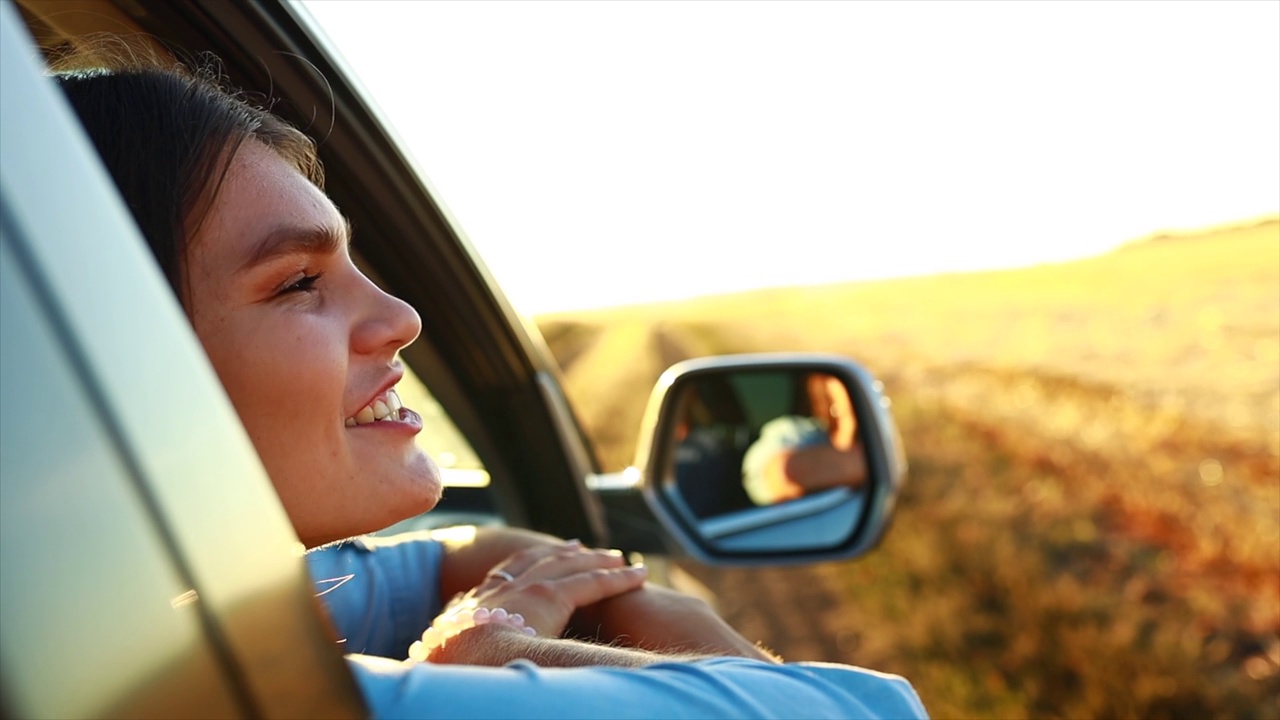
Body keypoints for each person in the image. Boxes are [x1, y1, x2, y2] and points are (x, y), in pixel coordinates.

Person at [52, 47, 927, 718]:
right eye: (296, 282)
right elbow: (878, 709)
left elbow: (458, 555)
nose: (401, 317)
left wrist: (509, 601)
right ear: (100, 364)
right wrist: (492, 654)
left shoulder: (109, 626)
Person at [741, 372, 869, 505]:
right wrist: (846, 425)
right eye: (836, 406)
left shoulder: (871, 438)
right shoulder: (794, 433)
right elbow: (783, 473)